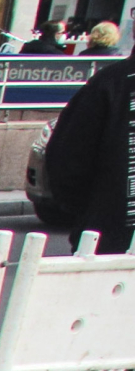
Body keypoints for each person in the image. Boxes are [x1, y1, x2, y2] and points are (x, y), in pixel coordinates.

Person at [43, 24, 133, 251]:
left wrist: (94, 211)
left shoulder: (109, 84)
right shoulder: (109, 85)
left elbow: (65, 161)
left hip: (106, 235)